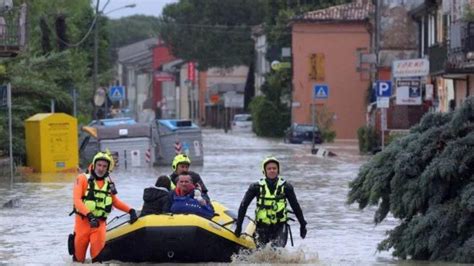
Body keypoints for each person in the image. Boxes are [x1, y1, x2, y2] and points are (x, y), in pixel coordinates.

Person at [71, 152, 138, 263]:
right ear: (94, 164)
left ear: (108, 168)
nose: (101, 168)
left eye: (104, 166)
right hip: (82, 223)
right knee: (78, 260)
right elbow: (77, 200)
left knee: (98, 260)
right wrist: (90, 215)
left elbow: (115, 201)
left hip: (99, 225)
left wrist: (130, 211)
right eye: (99, 165)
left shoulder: (109, 183)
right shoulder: (82, 179)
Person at [234, 156, 307, 247]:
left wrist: (302, 225)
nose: (272, 170)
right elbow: (243, 205)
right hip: (262, 226)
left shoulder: (287, 187)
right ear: (264, 171)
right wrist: (239, 226)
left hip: (280, 226)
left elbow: (295, 206)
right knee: (262, 253)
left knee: (277, 250)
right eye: (269, 168)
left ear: (278, 170)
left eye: (274, 168)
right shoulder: (255, 187)